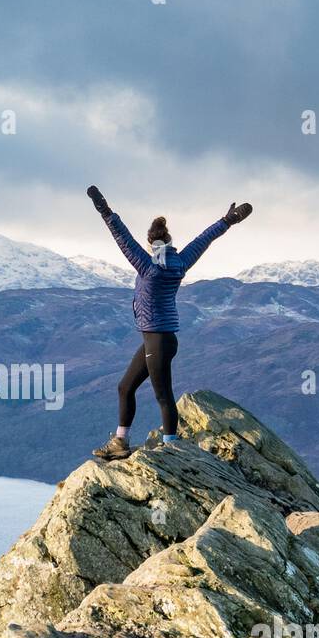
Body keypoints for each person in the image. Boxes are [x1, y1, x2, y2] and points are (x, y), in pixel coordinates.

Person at [87, 185, 253, 459]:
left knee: (163, 395)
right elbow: (204, 239)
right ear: (168, 240)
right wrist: (227, 221)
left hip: (157, 339)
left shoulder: (147, 265)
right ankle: (120, 442)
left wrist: (103, 208)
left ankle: (171, 448)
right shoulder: (180, 262)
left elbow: (120, 235)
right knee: (125, 387)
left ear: (151, 242)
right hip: (161, 339)